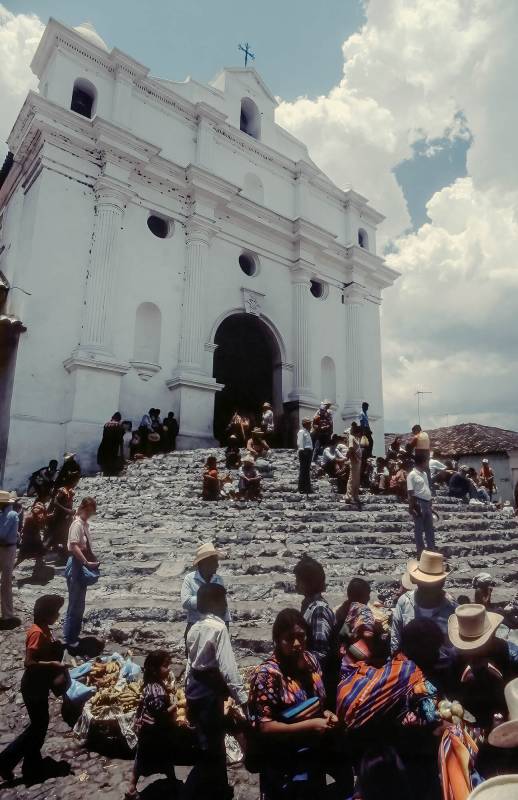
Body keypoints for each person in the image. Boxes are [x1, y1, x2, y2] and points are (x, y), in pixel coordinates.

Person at [248, 608, 341, 799]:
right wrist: (311, 725)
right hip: (282, 763)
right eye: (289, 638)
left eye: (301, 636)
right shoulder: (268, 675)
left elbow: (316, 702)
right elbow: (265, 727)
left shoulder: (311, 661)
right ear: (277, 640)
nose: (297, 643)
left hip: (312, 757)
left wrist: (326, 714)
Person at [184, 583, 247, 800]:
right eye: (224, 601)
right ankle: (215, 789)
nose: (226, 605)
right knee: (215, 741)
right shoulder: (218, 629)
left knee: (204, 739)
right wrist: (242, 698)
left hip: (195, 686)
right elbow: (228, 667)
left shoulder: (193, 628)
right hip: (211, 689)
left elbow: (189, 663)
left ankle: (209, 785)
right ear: (215, 603)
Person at [0, 594, 68, 783]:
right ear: (46, 615)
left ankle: (32, 762)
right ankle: (6, 761)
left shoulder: (46, 629)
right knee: (37, 727)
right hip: (33, 688)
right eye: (55, 612)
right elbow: (29, 662)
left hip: (39, 687)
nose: (58, 615)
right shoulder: (37, 632)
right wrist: (53, 663)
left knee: (40, 725)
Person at [447, 604, 518, 731]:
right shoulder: (456, 656)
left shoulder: (510, 653)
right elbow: (452, 692)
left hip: (505, 710)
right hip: (472, 714)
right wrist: (463, 684)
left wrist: (503, 679)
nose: (475, 651)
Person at [125, 649, 179, 799]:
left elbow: (145, 701)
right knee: (164, 755)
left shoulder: (151, 684)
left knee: (142, 758)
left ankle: (132, 787)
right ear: (155, 670)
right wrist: (174, 706)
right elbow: (161, 714)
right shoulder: (157, 691)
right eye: (166, 666)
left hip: (148, 730)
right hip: (154, 731)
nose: (169, 669)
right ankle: (171, 780)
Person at [391, 551, 457, 665]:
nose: (427, 588)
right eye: (424, 583)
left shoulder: (451, 609)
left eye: (431, 584)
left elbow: (456, 650)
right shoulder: (404, 602)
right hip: (409, 668)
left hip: (441, 669)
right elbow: (396, 640)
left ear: (441, 583)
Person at [63, 497, 100, 652]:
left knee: (80, 603)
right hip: (77, 565)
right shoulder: (77, 525)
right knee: (74, 604)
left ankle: (73, 635)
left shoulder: (84, 524)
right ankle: (69, 638)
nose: (92, 513)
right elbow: (73, 546)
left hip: (81, 564)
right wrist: (86, 562)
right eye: (91, 510)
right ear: (86, 508)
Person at [294, 556, 336, 679]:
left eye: (299, 580)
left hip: (318, 678)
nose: (296, 584)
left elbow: (320, 653)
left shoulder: (319, 610)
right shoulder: (309, 606)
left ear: (309, 582)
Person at [180, 543, 230, 644]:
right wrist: (208, 598)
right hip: (195, 627)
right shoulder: (190, 579)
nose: (217, 565)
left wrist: (227, 625)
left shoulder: (218, 579)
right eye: (214, 562)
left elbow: (224, 605)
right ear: (204, 563)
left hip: (215, 628)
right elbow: (185, 602)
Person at [407, 450, 435, 555]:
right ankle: (421, 553)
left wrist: (430, 503)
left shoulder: (424, 474)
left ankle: (432, 551)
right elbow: (410, 492)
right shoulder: (411, 475)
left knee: (429, 529)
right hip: (418, 503)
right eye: (427, 461)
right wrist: (411, 507)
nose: (428, 463)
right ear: (422, 462)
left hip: (427, 503)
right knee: (419, 530)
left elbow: (426, 488)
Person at [0, 490, 20, 629]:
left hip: (7, 549)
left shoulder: (11, 515)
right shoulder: (4, 514)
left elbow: (2, 534)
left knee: (6, 582)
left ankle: (7, 614)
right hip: (4, 547)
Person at [45, 483, 75, 558]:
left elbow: (70, 512)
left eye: (60, 493)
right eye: (58, 492)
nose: (58, 494)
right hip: (58, 523)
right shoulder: (58, 500)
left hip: (63, 524)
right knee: (54, 539)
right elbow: (55, 512)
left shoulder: (64, 501)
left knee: (60, 539)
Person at [16, 502, 47, 571]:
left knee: (39, 554)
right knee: (21, 557)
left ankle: (38, 570)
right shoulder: (31, 518)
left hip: (33, 540)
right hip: (30, 541)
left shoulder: (32, 517)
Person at [345, 422, 363, 507]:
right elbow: (351, 448)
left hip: (358, 460)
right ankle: (349, 497)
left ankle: (355, 496)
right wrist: (353, 457)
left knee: (357, 479)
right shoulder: (351, 437)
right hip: (354, 460)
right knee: (352, 479)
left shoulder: (355, 438)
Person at [297, 417, 314, 494]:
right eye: (309, 423)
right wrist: (303, 451)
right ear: (306, 424)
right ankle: (301, 488)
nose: (311, 425)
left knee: (307, 470)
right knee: (303, 470)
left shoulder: (308, 432)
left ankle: (307, 487)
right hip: (304, 452)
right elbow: (300, 442)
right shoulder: (301, 431)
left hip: (309, 452)